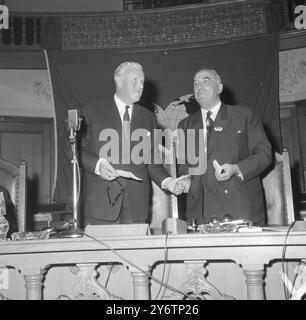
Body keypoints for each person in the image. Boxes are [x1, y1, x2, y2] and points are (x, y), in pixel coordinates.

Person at [81, 61, 184, 225]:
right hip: (100, 206)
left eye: (142, 82)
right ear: (119, 81)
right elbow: (75, 150)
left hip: (137, 207)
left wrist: (168, 181)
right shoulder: (91, 111)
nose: (141, 86)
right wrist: (98, 165)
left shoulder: (149, 117)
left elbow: (152, 161)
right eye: (135, 80)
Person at [177, 68, 272, 226]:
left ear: (219, 88)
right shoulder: (185, 125)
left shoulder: (243, 115)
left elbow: (264, 153)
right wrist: (186, 179)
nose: (199, 86)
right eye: (195, 83)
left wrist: (237, 168)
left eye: (205, 81)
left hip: (241, 209)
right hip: (201, 214)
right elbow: (183, 165)